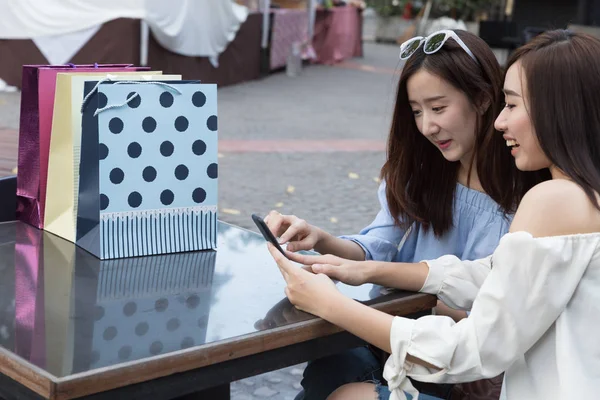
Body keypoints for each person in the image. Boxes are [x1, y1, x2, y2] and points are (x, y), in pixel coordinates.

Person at [268, 29, 600, 399]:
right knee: (333, 370)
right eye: (417, 111)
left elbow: (476, 346)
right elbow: (493, 273)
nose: (500, 122)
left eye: (511, 104)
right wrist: (365, 269)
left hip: (459, 371)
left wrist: (331, 303)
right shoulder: (578, 196)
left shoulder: (551, 198)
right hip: (423, 348)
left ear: (558, 109)